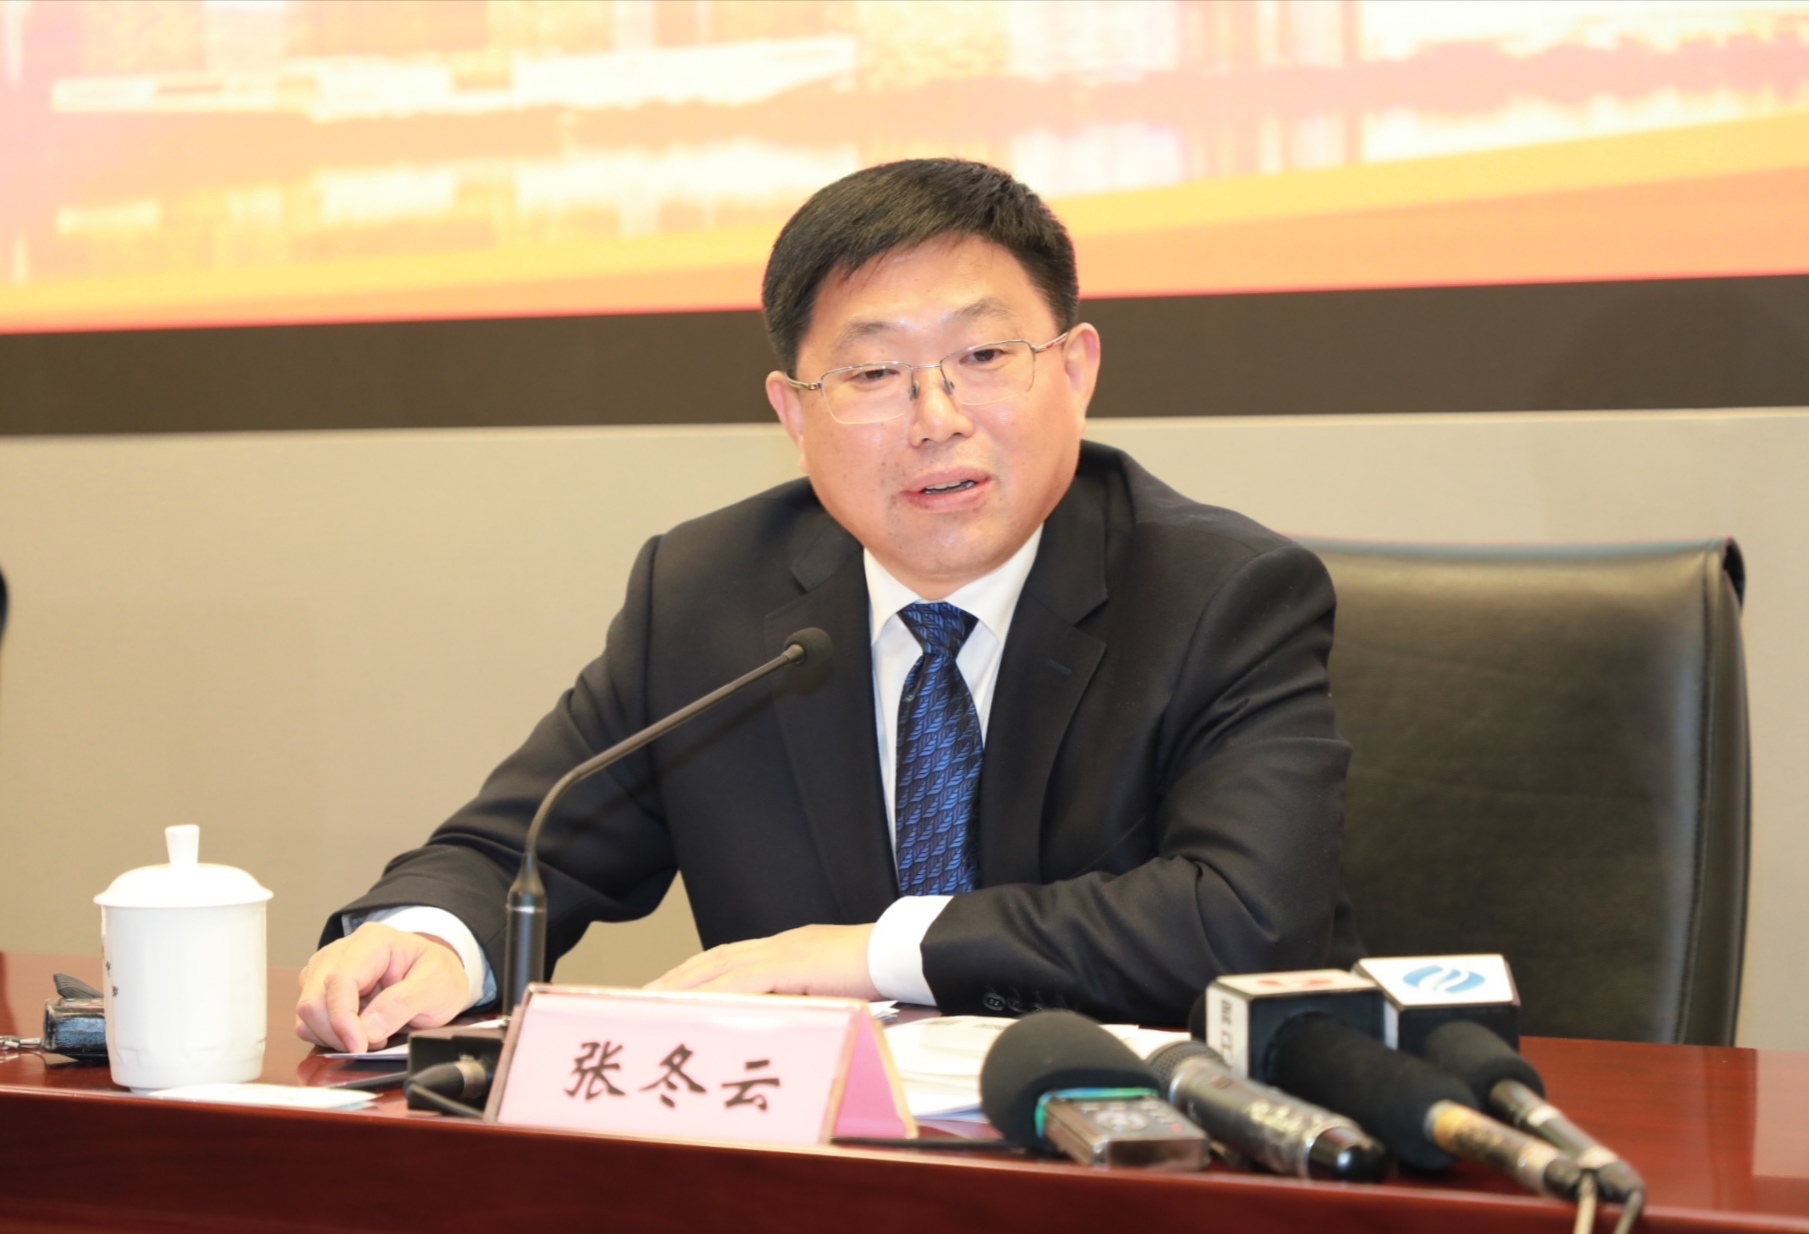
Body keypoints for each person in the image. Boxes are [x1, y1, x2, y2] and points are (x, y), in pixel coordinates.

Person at [294, 158, 1350, 1054]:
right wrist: (430, 937)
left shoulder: (1220, 594)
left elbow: (1250, 920)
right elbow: (522, 848)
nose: (935, 417)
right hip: (810, 1165)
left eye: (983, 356)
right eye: (873, 372)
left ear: (1075, 370)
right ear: (793, 415)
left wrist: (870, 953)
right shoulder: (707, 594)